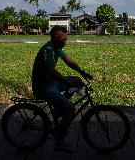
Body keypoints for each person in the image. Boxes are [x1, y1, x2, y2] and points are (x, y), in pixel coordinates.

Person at [31, 25, 92, 153]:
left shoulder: (56, 47)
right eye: (64, 39)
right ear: (55, 38)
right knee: (71, 110)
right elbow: (51, 71)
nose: (65, 41)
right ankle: (60, 142)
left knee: (77, 81)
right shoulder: (47, 49)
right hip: (43, 88)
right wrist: (66, 81)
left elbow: (68, 61)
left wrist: (82, 72)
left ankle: (59, 110)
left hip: (51, 83)